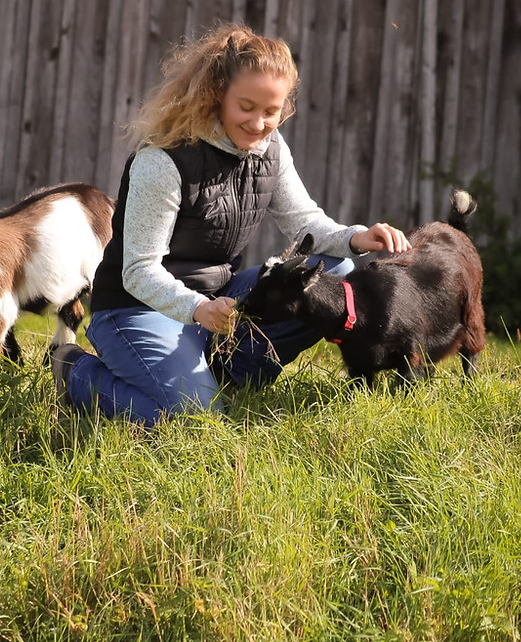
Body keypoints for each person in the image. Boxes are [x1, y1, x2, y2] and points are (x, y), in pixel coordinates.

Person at [51, 23, 411, 426]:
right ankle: (77, 372)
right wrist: (198, 308)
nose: (259, 124)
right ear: (218, 92)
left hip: (218, 299)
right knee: (193, 421)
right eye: (246, 107)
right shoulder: (163, 161)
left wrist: (357, 238)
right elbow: (138, 271)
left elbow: (305, 223)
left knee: (336, 271)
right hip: (139, 308)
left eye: (270, 112)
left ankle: (225, 375)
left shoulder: (270, 149)